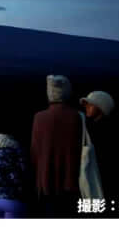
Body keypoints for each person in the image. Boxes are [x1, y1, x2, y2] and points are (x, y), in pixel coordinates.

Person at [30, 75, 82, 217]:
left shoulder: (39, 117)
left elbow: (35, 152)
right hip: (72, 179)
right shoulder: (77, 116)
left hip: (46, 180)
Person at [80, 91, 117, 197]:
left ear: (101, 108)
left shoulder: (102, 132)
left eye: (90, 105)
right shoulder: (89, 129)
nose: (86, 107)